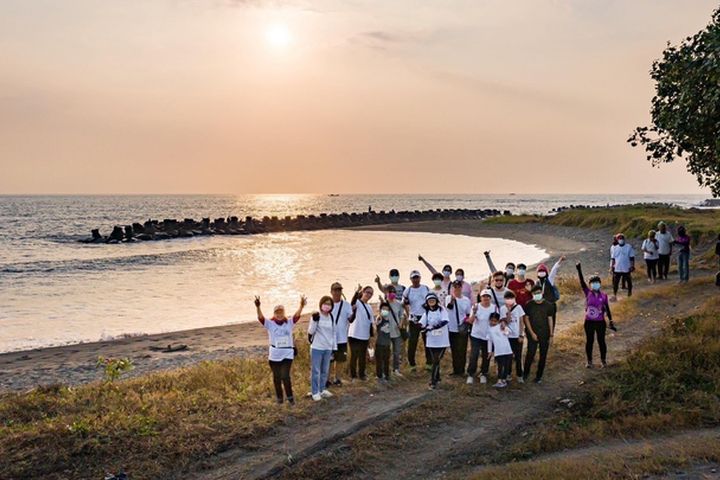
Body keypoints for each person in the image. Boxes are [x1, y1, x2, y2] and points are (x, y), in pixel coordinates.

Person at [255, 295, 307, 405]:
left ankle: (290, 398)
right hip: (274, 355)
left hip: (287, 353)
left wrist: (301, 306)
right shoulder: (270, 323)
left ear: (284, 313)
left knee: (285, 376)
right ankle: (280, 398)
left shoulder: (289, 323)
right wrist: (258, 307)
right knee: (276, 378)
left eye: (281, 312)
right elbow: (261, 318)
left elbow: (296, 316)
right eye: (277, 312)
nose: (279, 314)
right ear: (274, 314)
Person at [576, 262, 615, 369]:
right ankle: (589, 361)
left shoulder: (604, 296)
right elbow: (581, 282)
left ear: (600, 283)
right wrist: (579, 269)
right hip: (589, 322)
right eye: (593, 283)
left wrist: (611, 321)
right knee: (590, 341)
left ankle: (603, 361)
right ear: (590, 285)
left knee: (601, 341)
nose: (595, 284)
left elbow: (607, 308)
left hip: (600, 322)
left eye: (597, 282)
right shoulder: (587, 292)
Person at [523, 285, 554, 384]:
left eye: (539, 293)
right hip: (532, 333)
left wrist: (551, 335)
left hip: (544, 333)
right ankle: (525, 374)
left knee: (543, 355)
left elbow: (550, 319)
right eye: (535, 293)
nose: (537, 295)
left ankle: (539, 376)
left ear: (542, 293)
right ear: (532, 294)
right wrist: (531, 333)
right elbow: (526, 319)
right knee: (530, 354)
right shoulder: (529, 305)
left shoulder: (548, 305)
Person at [419, 292, 450, 389]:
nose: (431, 302)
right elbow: (422, 324)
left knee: (436, 360)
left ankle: (432, 381)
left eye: (433, 300)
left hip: (442, 340)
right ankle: (437, 378)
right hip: (431, 340)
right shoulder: (427, 312)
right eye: (429, 300)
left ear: (436, 301)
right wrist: (416, 323)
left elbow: (445, 321)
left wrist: (434, 327)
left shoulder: (442, 310)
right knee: (435, 360)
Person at [308, 296, 337, 401]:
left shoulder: (331, 317)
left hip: (327, 347)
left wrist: (334, 347)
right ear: (321, 304)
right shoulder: (316, 316)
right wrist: (315, 321)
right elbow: (311, 331)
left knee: (325, 370)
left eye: (329, 304)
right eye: (325, 303)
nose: (327, 306)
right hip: (317, 347)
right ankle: (315, 392)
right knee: (316, 370)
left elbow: (334, 332)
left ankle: (322, 389)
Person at [402, 270, 430, 371]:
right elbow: (403, 303)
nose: (415, 280)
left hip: (425, 317)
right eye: (413, 278)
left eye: (417, 277)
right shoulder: (408, 290)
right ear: (410, 279)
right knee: (412, 342)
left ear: (420, 278)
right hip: (413, 318)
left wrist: (427, 308)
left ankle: (429, 363)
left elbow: (431, 300)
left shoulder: (425, 288)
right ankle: (412, 364)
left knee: (428, 341)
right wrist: (408, 313)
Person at [466, 289, 494, 384]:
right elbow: (470, 321)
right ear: (480, 297)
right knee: (474, 354)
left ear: (490, 298)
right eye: (483, 296)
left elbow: (496, 321)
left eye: (487, 296)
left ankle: (483, 373)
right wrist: (474, 313)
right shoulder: (476, 306)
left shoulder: (494, 308)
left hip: (488, 336)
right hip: (476, 335)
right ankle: (470, 374)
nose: (485, 298)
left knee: (486, 356)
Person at [348, 285, 374, 381]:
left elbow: (371, 323)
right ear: (363, 292)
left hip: (364, 335)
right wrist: (356, 292)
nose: (368, 294)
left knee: (362, 356)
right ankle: (353, 375)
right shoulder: (357, 302)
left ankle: (362, 374)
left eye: (371, 293)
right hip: (354, 334)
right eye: (367, 292)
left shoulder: (370, 307)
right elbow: (352, 302)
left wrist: (371, 337)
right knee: (354, 355)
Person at [446, 280, 472, 376]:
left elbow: (468, 313)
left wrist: (466, 321)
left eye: (458, 286)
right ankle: (456, 370)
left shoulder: (466, 300)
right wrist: (453, 299)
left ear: (461, 287)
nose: (457, 288)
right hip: (451, 328)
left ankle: (461, 370)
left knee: (462, 349)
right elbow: (448, 308)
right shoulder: (448, 298)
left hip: (462, 327)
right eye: (455, 287)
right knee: (454, 350)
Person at [499, 290, 525, 382]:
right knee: (508, 357)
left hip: (517, 336)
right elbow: (506, 322)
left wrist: (521, 335)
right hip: (507, 336)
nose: (509, 300)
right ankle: (508, 374)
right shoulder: (502, 309)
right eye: (507, 298)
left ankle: (519, 375)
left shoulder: (518, 307)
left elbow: (521, 321)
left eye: (511, 298)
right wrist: (508, 312)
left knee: (518, 357)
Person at [329, 282, 352, 386]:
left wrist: (354, 311)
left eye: (339, 290)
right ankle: (327, 379)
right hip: (329, 338)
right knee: (329, 360)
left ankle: (337, 378)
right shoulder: (328, 304)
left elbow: (350, 319)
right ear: (331, 292)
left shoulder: (346, 305)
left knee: (340, 360)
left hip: (342, 337)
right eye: (335, 290)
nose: (337, 292)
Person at [383, 285, 407, 376]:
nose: (391, 294)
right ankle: (385, 370)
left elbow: (401, 315)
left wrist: (401, 323)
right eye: (389, 292)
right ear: (386, 293)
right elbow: (382, 316)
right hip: (387, 332)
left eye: (393, 292)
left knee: (396, 352)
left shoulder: (398, 303)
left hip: (396, 331)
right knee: (386, 352)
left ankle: (396, 369)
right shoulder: (383, 303)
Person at [535, 257, 564, 329]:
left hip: (551, 306)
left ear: (546, 272)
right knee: (543, 325)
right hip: (541, 307)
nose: (541, 273)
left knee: (551, 325)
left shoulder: (549, 280)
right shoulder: (536, 283)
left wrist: (559, 261)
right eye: (540, 271)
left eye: (542, 271)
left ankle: (551, 337)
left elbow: (554, 270)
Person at [487, 312, 513, 388]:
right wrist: (489, 351)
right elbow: (489, 341)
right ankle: (499, 380)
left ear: (498, 321)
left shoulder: (501, 326)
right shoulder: (489, 330)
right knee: (500, 366)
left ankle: (504, 380)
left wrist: (504, 327)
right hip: (498, 351)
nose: (493, 322)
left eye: (495, 321)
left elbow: (509, 333)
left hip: (507, 350)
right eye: (491, 320)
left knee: (506, 366)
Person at [610, 234, 635, 301]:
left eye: (622, 238)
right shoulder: (615, 248)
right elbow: (613, 259)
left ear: (624, 239)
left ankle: (629, 293)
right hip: (617, 268)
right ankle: (614, 294)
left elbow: (632, 257)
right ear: (617, 240)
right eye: (619, 239)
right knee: (616, 282)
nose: (621, 240)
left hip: (626, 268)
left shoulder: (629, 247)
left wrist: (632, 266)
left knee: (629, 281)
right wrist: (612, 266)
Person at [374, 302, 393, 382]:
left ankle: (386, 375)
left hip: (387, 344)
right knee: (379, 360)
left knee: (386, 360)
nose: (385, 311)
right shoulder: (379, 319)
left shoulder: (390, 320)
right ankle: (379, 376)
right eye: (383, 309)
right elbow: (375, 325)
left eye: (387, 309)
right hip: (379, 343)